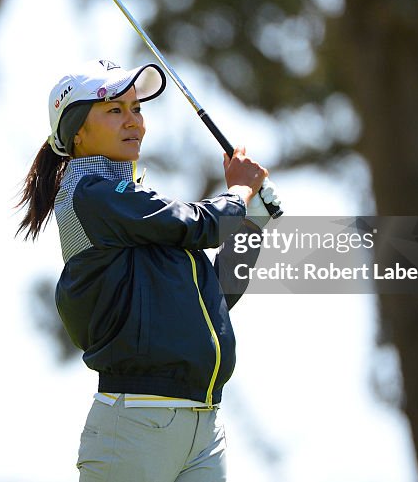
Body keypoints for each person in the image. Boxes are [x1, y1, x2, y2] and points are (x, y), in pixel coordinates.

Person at [17, 58, 268, 482]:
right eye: (115, 110)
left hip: (204, 425)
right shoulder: (92, 195)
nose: (133, 121)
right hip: (133, 425)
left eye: (137, 109)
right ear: (77, 130)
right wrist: (241, 192)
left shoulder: (134, 207)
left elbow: (214, 296)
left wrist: (254, 218)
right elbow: (198, 223)